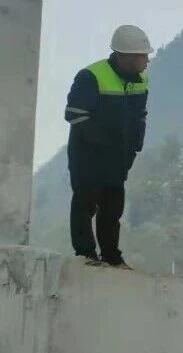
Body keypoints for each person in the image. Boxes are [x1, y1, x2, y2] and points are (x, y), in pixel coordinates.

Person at [64, 25, 152, 268]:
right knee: (85, 202)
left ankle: (112, 257)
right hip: (87, 154)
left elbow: (139, 116)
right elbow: (74, 114)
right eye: (142, 56)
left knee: (113, 207)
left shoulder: (140, 81)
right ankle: (85, 254)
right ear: (125, 56)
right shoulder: (90, 76)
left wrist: (134, 148)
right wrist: (102, 145)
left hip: (118, 155)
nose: (146, 61)